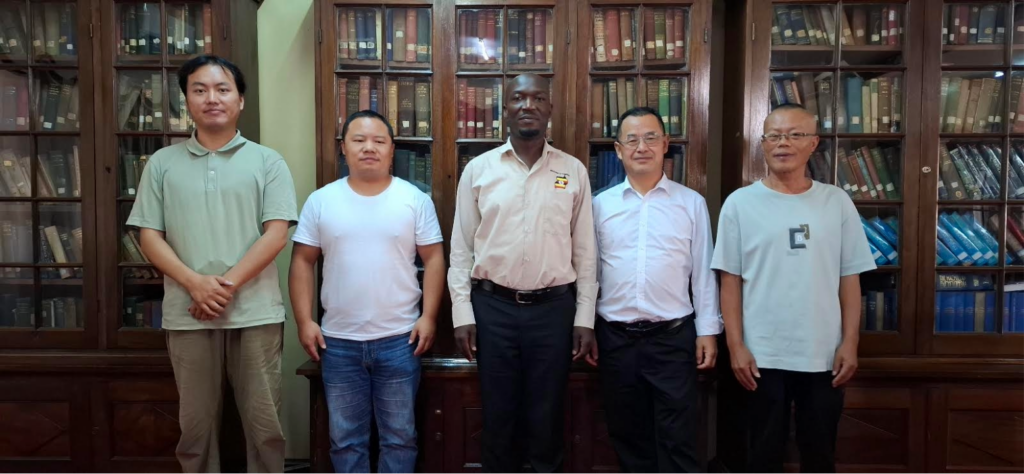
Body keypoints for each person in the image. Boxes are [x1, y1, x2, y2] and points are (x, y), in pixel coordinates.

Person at [128, 55, 297, 474]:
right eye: (199, 89)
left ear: (241, 100)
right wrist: (195, 284)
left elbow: (276, 234)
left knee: (265, 427)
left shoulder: (267, 161)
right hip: (188, 314)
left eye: (222, 89)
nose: (211, 98)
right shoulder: (162, 164)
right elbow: (149, 235)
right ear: (186, 99)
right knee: (195, 429)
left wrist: (224, 287)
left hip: (255, 313)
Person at [711, 104, 876, 474]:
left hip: (823, 355)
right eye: (774, 136)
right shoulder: (740, 203)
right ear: (763, 144)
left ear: (813, 143)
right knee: (761, 455)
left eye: (795, 135)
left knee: (819, 454)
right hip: (760, 356)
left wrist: (850, 341)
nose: (783, 143)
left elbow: (850, 278)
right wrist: (735, 346)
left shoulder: (836, 202)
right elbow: (730, 280)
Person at [448, 73, 598, 473]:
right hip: (492, 309)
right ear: (506, 110)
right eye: (518, 98)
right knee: (498, 417)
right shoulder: (479, 170)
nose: (527, 105)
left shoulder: (573, 171)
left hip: (553, 312)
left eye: (537, 98)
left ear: (550, 109)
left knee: (547, 417)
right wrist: (462, 314)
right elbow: (461, 249)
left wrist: (585, 317)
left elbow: (585, 252)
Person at [289, 110, 445, 473]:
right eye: (358, 140)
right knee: (345, 442)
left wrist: (429, 316)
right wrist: (304, 321)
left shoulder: (414, 199)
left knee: (400, 438)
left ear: (392, 150)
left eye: (379, 141)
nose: (369, 148)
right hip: (338, 343)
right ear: (344, 148)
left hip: (400, 340)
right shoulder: (321, 201)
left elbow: (435, 260)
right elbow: (301, 262)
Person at [592, 107, 721, 473]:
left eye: (651, 138)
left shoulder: (690, 203)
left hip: (673, 339)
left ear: (666, 144)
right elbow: (590, 273)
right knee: (628, 436)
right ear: (618, 150)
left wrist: (708, 332)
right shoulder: (600, 206)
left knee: (678, 438)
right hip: (615, 340)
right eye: (631, 139)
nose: (641, 147)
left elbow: (703, 273)